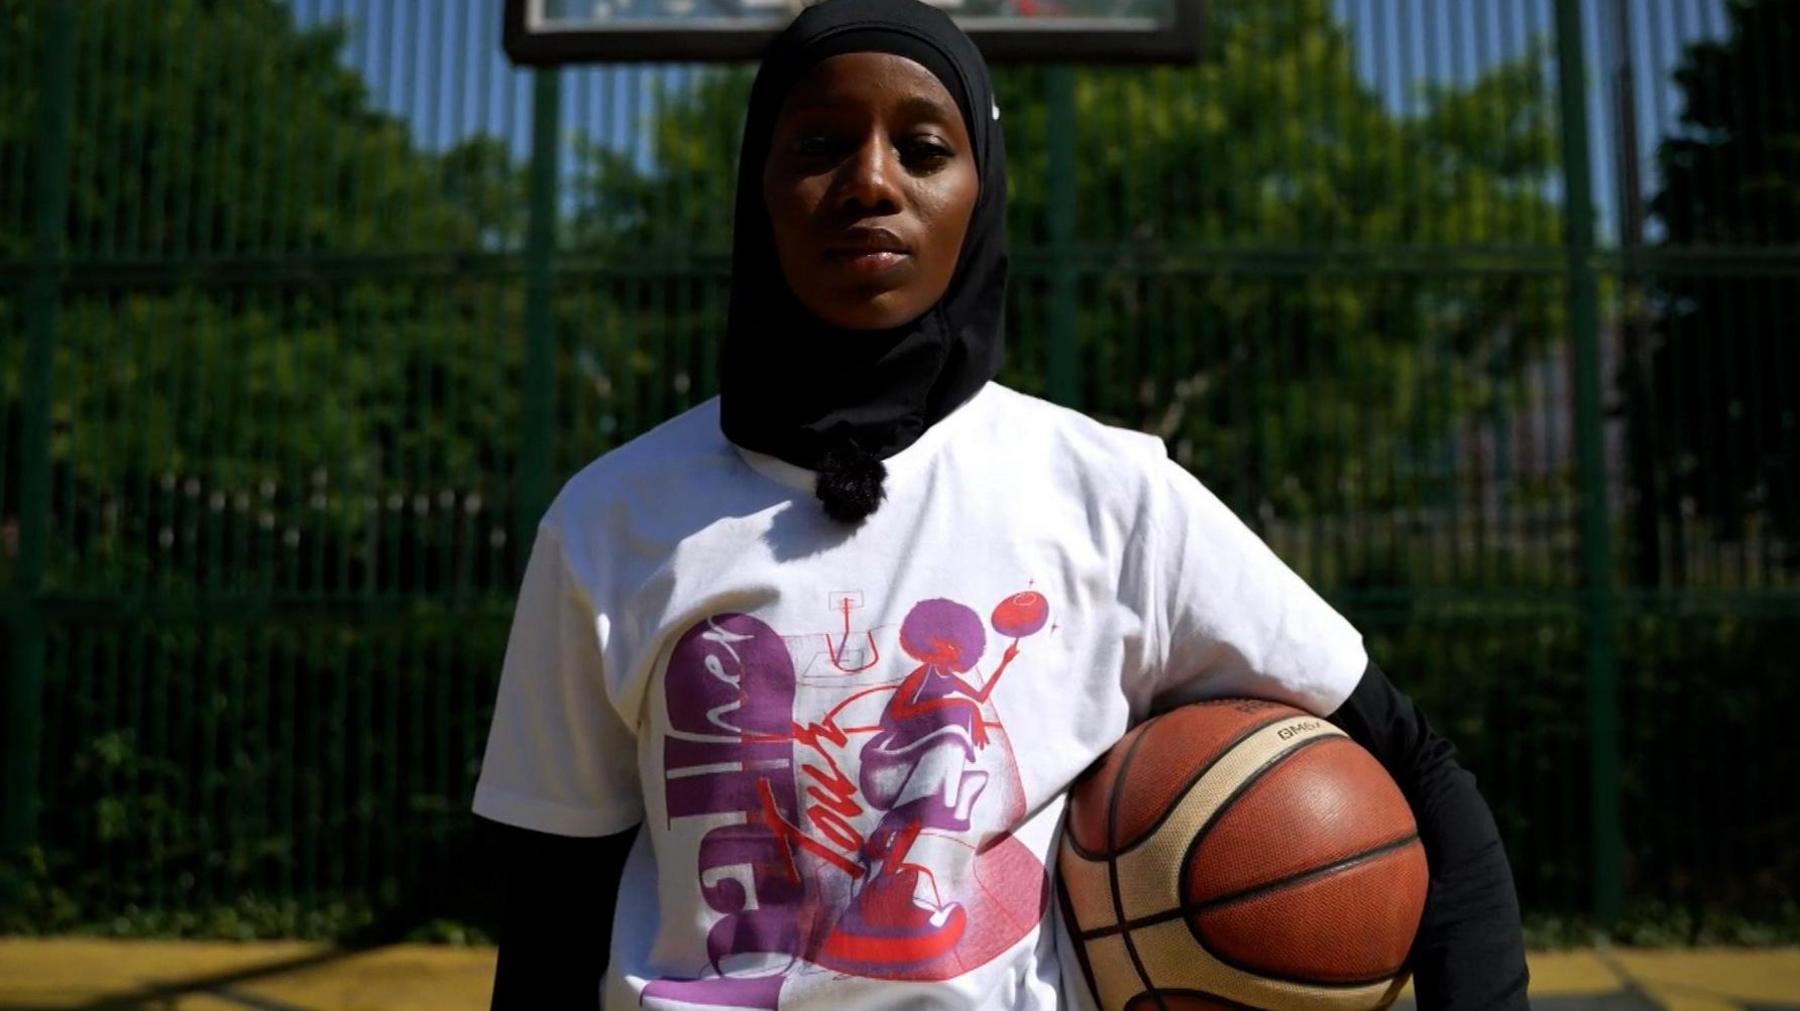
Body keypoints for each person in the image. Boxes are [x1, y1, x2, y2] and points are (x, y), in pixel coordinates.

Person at [473, 1, 1530, 1007]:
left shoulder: (1113, 500)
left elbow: (1423, 774)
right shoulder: (613, 520)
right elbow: (552, 914)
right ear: (757, 187)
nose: (870, 182)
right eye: (817, 146)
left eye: (924, 149)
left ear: (984, 194)